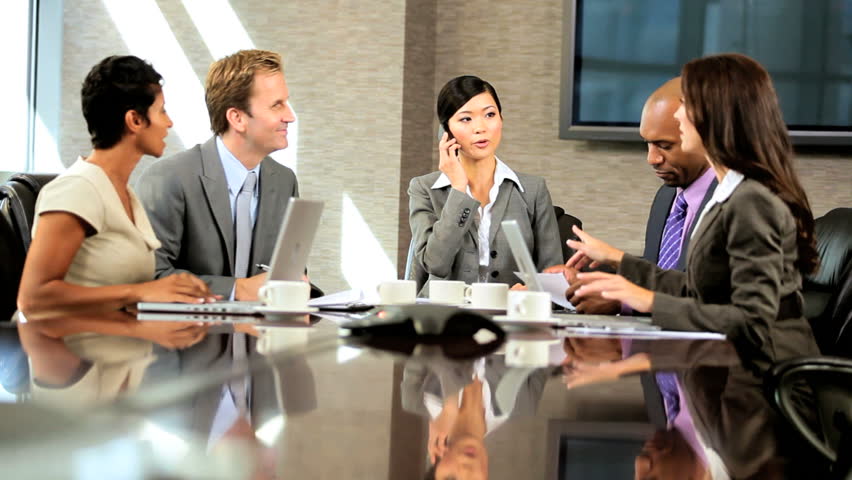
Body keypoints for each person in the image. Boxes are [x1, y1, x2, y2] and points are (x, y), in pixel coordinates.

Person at [567, 53, 821, 370]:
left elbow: (752, 321)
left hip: (762, 385)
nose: (681, 115)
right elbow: (699, 289)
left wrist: (646, 300)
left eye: (687, 105)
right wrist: (622, 272)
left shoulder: (751, 201)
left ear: (713, 117)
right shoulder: (730, 194)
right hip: (729, 378)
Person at [14, 55, 211, 401]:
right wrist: (140, 293)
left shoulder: (127, 194)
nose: (169, 123)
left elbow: (120, 288)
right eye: (162, 111)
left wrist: (172, 294)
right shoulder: (78, 188)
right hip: (73, 388)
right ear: (135, 120)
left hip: (115, 361)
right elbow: (34, 299)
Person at [136, 49, 299, 301]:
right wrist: (237, 289)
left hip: (261, 337)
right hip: (188, 337)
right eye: (277, 105)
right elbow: (150, 277)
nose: (290, 116)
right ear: (237, 118)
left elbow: (283, 275)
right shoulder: (168, 179)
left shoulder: (284, 181)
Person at [552, 77, 717, 315]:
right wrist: (587, 280)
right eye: (648, 144)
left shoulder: (735, 201)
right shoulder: (667, 197)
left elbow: (706, 296)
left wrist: (622, 300)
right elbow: (657, 275)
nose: (652, 158)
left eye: (665, 146)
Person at [408, 75, 562, 292]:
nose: (480, 128)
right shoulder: (424, 189)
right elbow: (436, 264)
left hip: (511, 315)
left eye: (490, 114)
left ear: (501, 119)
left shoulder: (533, 190)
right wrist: (458, 190)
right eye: (466, 119)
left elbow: (553, 276)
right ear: (446, 132)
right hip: (445, 316)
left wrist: (532, 290)